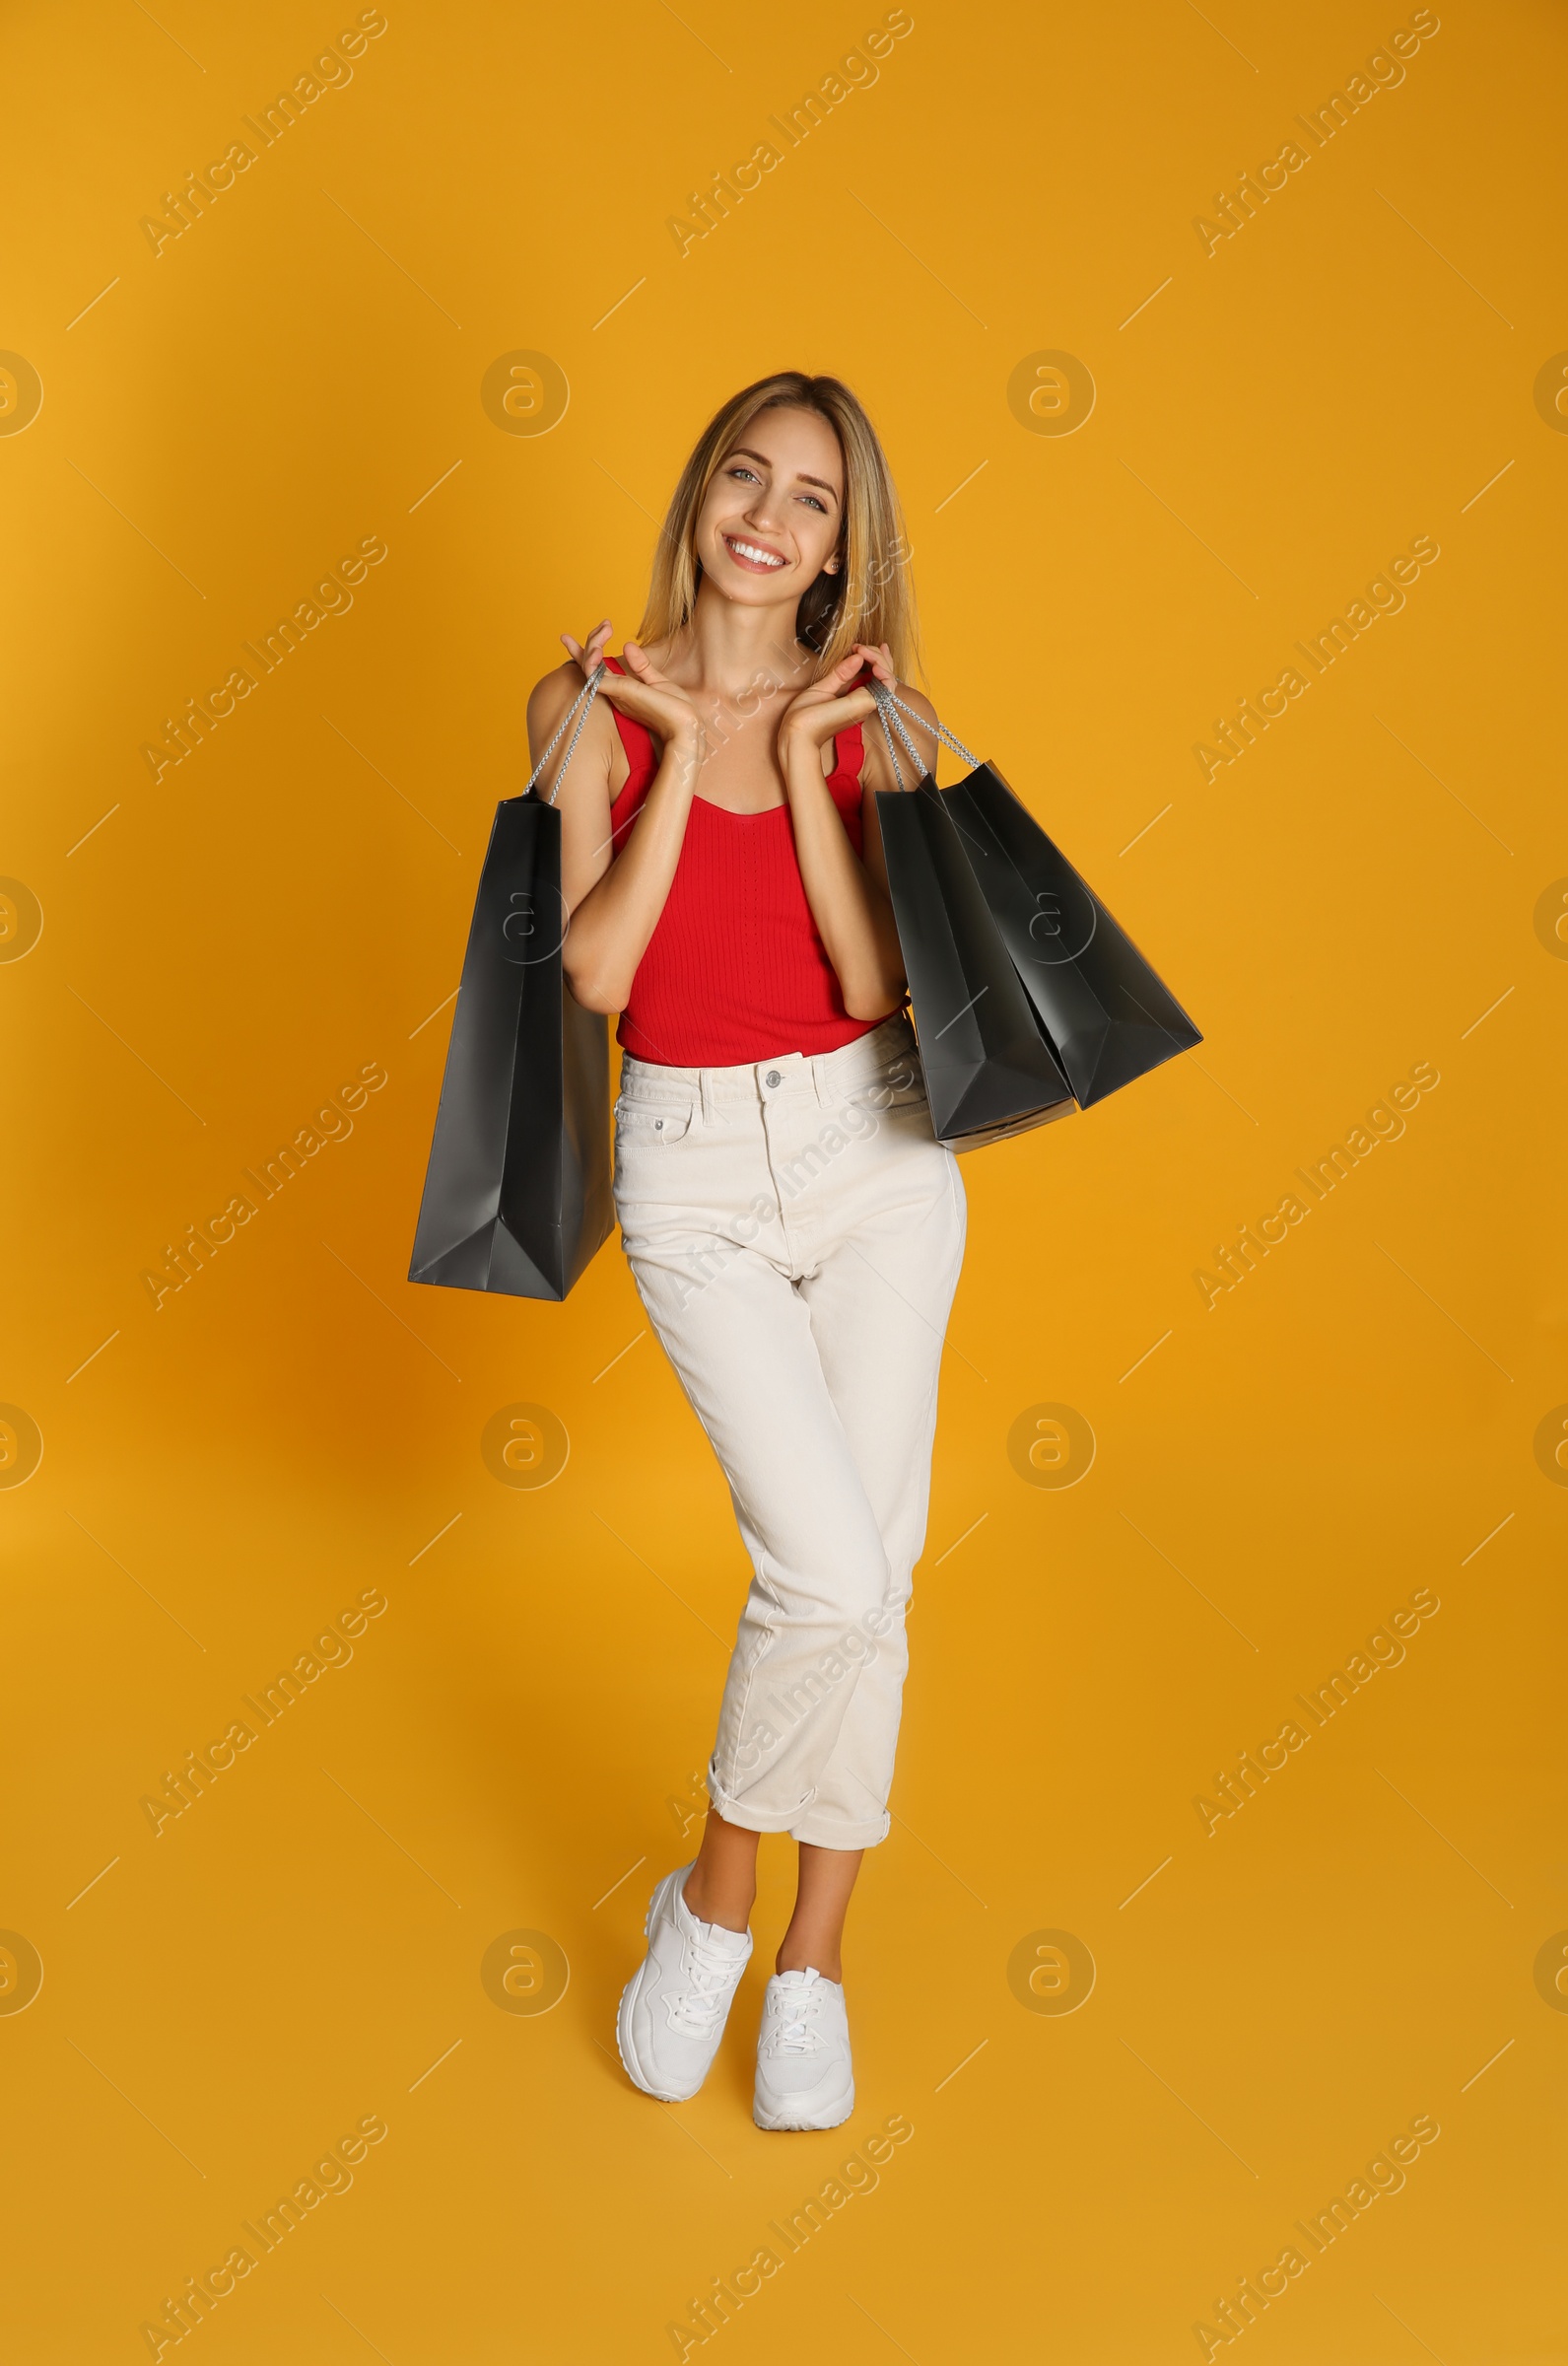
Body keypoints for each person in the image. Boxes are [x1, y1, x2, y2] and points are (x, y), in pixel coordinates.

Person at [526, 371, 966, 2131]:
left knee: (880, 1572)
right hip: (695, 1168)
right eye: (744, 477)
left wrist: (793, 761)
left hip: (876, 1155)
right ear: (700, 495)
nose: (769, 520)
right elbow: (601, 975)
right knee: (832, 1579)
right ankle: (718, 1894)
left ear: (842, 551)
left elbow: (877, 987)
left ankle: (806, 1958)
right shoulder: (585, 701)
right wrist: (646, 740)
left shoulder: (874, 719)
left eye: (813, 503)